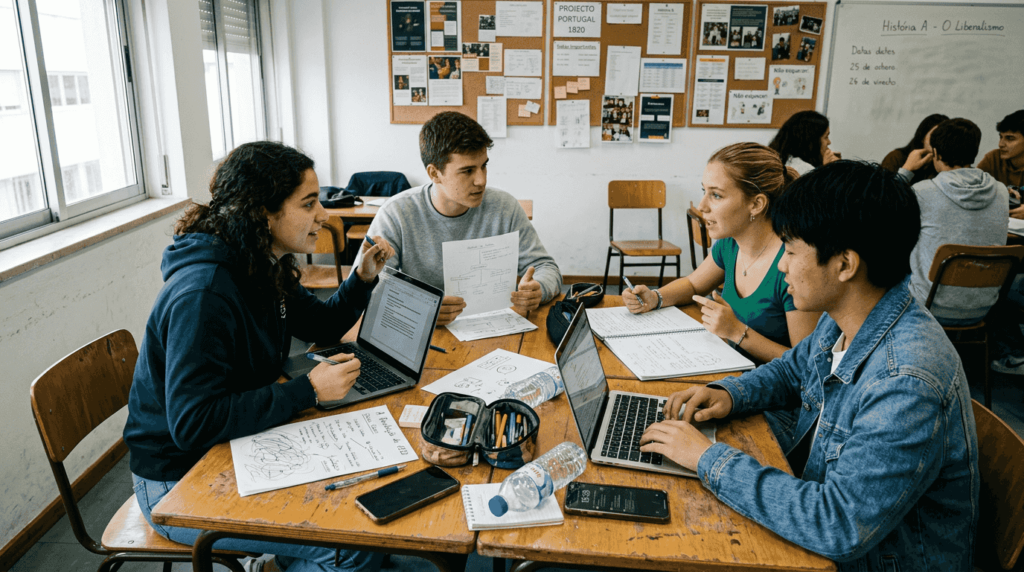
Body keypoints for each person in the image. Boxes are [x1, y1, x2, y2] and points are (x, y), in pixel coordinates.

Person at [640, 160, 978, 571]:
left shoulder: (905, 381)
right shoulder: (846, 316)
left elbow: (837, 525)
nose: (782, 265)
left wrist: (706, 457)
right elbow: (791, 370)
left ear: (844, 265)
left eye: (791, 251)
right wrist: (727, 394)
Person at [123, 142, 396, 572]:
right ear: (263, 213)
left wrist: (361, 278)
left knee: (363, 509)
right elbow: (194, 423)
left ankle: (270, 566)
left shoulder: (260, 262)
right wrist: (306, 391)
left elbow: (322, 326)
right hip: (177, 481)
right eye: (308, 203)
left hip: (231, 444)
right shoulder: (204, 294)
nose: (324, 214)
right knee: (353, 543)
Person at [354, 111, 562, 326]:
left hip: (491, 327)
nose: (481, 180)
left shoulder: (504, 207)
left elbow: (547, 267)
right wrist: (421, 308)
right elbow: (364, 287)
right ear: (434, 174)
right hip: (420, 331)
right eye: (467, 171)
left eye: (484, 166)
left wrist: (539, 288)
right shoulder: (395, 213)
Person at [624, 143, 821, 364]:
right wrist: (655, 298)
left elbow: (806, 364)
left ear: (756, 204)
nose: (702, 206)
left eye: (716, 195)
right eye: (704, 191)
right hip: (727, 365)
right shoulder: (729, 244)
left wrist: (738, 332)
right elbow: (693, 284)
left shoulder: (793, 264)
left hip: (768, 382)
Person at [908, 118, 1008, 325]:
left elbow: (880, 215)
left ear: (936, 153)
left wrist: (906, 171)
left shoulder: (922, 192)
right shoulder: (1001, 191)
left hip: (928, 307)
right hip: (982, 309)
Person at [978, 110, 1024, 218]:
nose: (1000, 144)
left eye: (1010, 138)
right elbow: (971, 191)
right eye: (1001, 137)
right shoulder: (993, 158)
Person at [881, 113, 948, 186]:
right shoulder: (896, 157)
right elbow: (883, 190)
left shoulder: (944, 163)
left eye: (944, 138)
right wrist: (907, 168)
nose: (939, 141)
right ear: (922, 137)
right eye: (934, 136)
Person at [769, 110, 838, 176]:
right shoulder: (803, 169)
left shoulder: (781, 160)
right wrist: (827, 170)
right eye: (826, 137)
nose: (829, 142)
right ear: (812, 141)